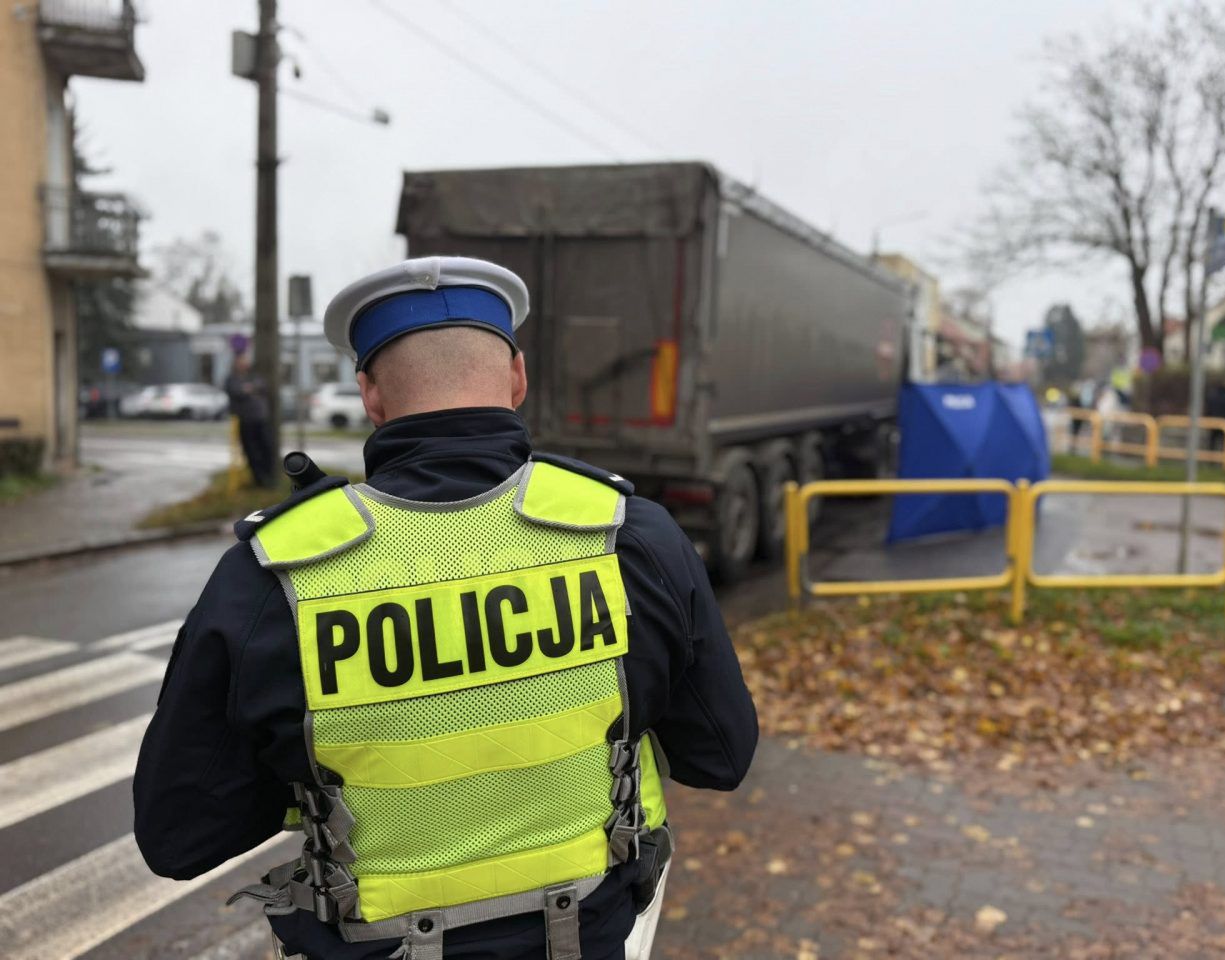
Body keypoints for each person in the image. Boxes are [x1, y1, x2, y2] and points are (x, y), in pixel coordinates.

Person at [135, 256, 758, 960]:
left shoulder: (275, 574)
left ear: (369, 395)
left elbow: (179, 835)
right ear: (517, 379)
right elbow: (721, 753)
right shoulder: (627, 536)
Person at [225, 352, 275, 487]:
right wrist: (247, 390)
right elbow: (236, 392)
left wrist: (248, 389)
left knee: (266, 447)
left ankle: (268, 477)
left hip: (260, 419)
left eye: (244, 361)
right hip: (245, 420)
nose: (243, 364)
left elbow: (262, 387)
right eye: (240, 361)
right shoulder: (232, 379)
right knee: (251, 451)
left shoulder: (254, 376)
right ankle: (259, 479)